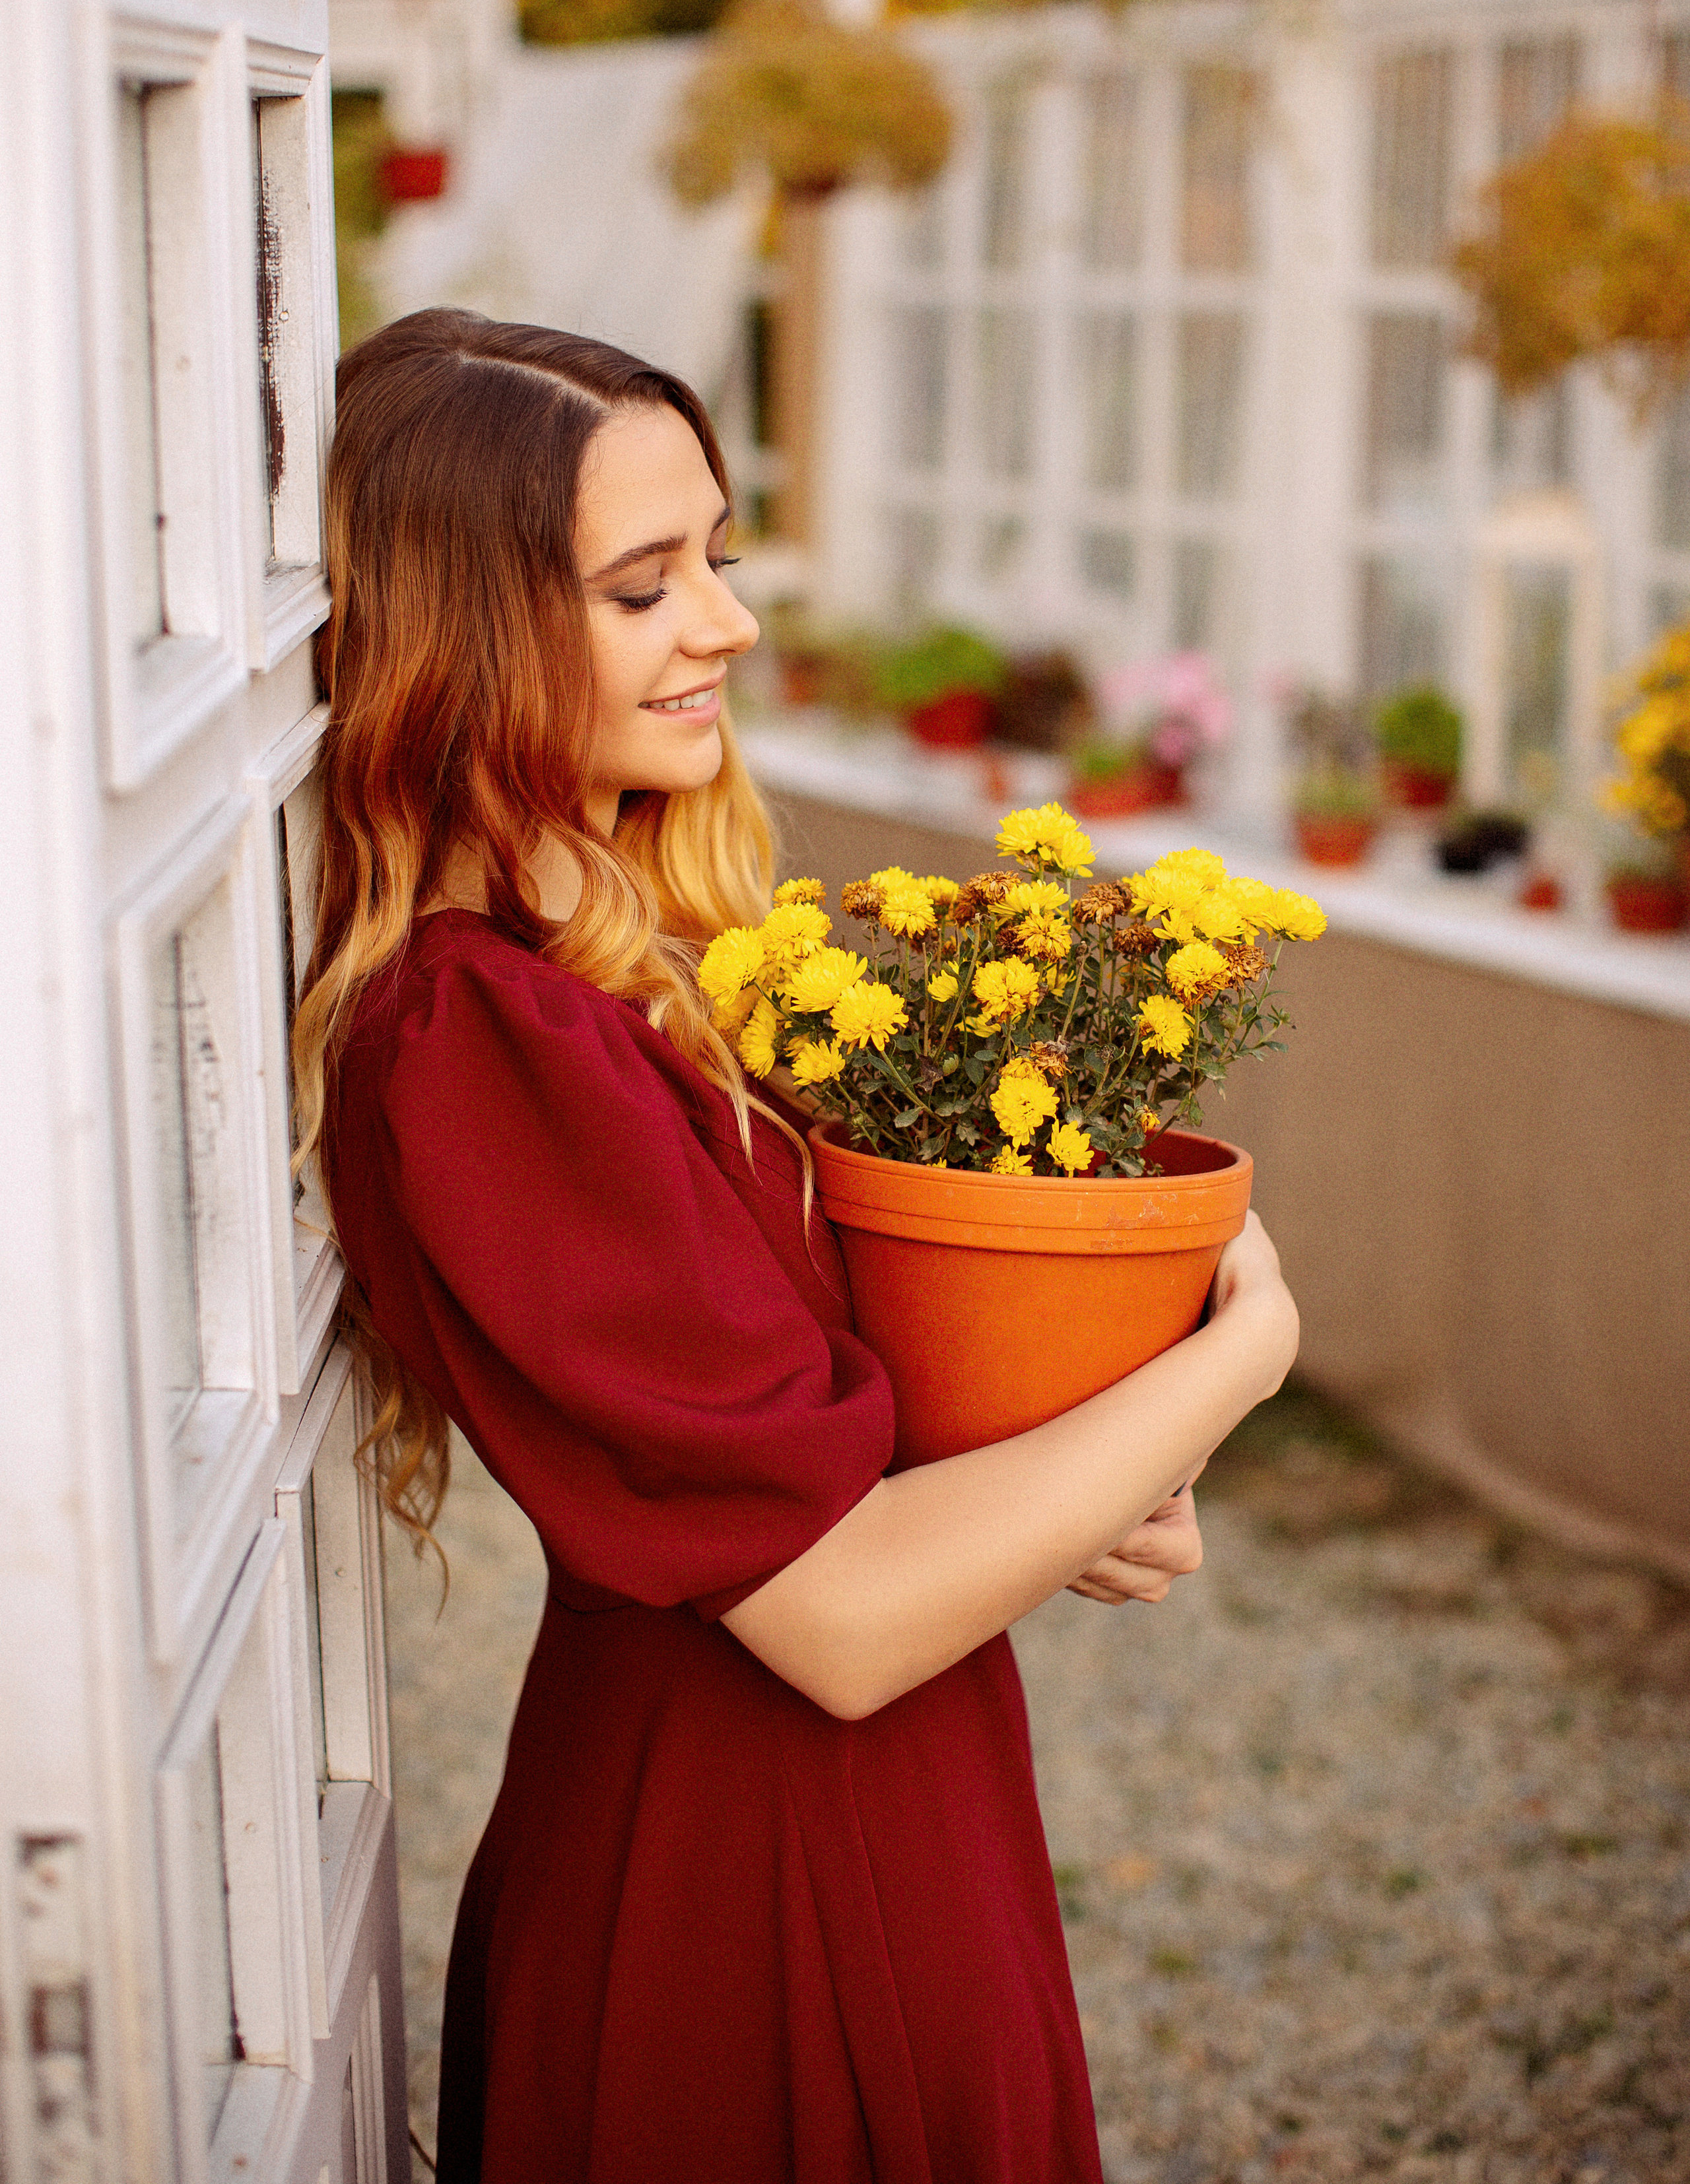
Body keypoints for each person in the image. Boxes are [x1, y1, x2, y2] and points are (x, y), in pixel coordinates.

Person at [292, 307, 1300, 2184]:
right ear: (467, 630)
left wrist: (1079, 1476)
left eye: (721, 561)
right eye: (642, 587)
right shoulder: (479, 1031)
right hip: (755, 1861)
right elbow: (829, 1616)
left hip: (871, 1801)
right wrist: (1236, 1354)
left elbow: (814, 1444)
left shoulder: (625, 957)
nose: (729, 626)